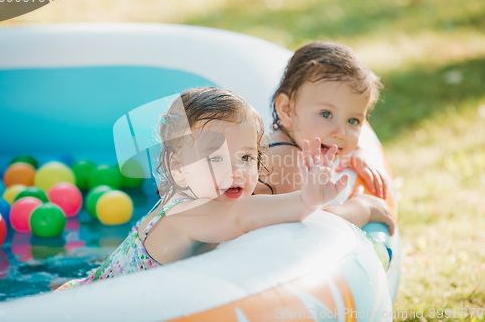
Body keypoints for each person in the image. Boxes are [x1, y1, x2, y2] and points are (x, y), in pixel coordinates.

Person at [56, 87, 348, 291]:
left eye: (246, 157)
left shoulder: (182, 197)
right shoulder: (193, 214)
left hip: (88, 289)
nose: (236, 170)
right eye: (215, 158)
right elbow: (242, 216)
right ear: (178, 167)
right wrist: (306, 200)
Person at [255, 41, 395, 234]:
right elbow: (310, 228)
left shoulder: (291, 136)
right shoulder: (288, 161)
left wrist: (359, 152)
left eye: (353, 120)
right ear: (286, 110)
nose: (341, 133)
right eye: (326, 114)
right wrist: (364, 208)